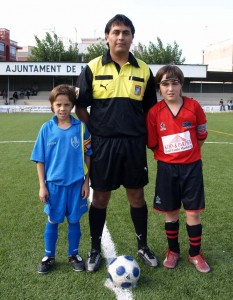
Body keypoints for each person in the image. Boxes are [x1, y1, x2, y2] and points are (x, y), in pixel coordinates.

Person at [75, 14, 158, 272]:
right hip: (103, 146)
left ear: (132, 37)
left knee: (136, 196)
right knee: (100, 198)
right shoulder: (92, 67)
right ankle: (95, 248)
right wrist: (95, 130)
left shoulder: (144, 70)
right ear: (107, 37)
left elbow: (151, 112)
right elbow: (80, 106)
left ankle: (143, 245)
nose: (121, 36)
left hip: (133, 145)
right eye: (116, 32)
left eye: (126, 32)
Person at [146, 65, 211, 273]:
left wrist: (190, 156)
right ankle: (173, 252)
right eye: (165, 84)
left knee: (193, 213)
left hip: (191, 169)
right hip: (167, 169)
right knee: (171, 212)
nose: (170, 88)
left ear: (181, 84)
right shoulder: (154, 112)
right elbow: (153, 143)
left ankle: (195, 254)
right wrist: (169, 157)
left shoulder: (194, 107)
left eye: (174, 83)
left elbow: (201, 135)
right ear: (159, 87)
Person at [31, 84, 92, 274]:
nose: (62, 109)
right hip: (54, 185)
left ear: (72, 106)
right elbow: (39, 159)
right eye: (58, 105)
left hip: (76, 185)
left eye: (66, 105)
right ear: (52, 106)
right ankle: (49, 256)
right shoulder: (46, 128)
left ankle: (73, 255)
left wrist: (86, 181)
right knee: (53, 220)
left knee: (74, 221)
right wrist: (42, 186)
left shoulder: (80, 128)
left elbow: (88, 155)